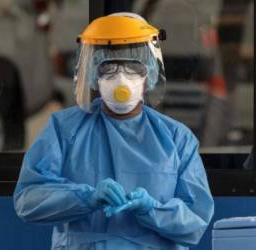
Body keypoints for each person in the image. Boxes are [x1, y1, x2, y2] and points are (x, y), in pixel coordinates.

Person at [13, 12, 214, 250]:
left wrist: (151, 209)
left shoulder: (176, 139)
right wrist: (84, 197)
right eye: (108, 68)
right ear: (92, 73)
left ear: (148, 73)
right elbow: (28, 199)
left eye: (132, 68)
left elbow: (196, 222)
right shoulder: (64, 130)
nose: (121, 78)